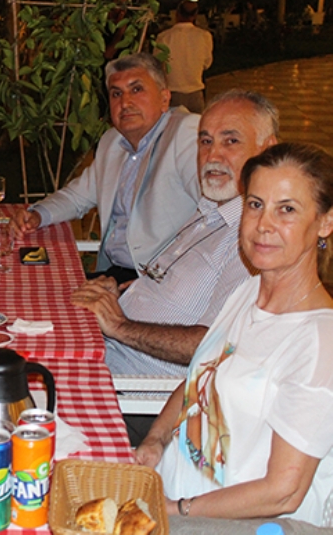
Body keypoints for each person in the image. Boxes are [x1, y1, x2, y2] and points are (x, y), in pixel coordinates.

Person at [136, 142, 333, 527]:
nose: (263, 225)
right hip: (169, 494)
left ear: (325, 222)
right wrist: (155, 440)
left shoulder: (319, 342)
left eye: (287, 210)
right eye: (256, 204)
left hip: (231, 523)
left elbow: (283, 491)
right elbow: (201, 378)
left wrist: (176, 510)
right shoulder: (248, 290)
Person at [70, 90, 278, 378]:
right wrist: (119, 295)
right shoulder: (208, 210)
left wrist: (119, 325)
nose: (212, 156)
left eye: (231, 141)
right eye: (206, 141)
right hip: (107, 346)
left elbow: (215, 346)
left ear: (268, 149)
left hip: (129, 382)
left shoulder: (258, 242)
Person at [11, 52, 201, 284]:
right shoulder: (112, 142)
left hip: (158, 282)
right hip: (113, 275)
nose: (125, 103)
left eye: (137, 89)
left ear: (164, 98)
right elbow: (76, 198)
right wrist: (37, 215)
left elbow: (216, 217)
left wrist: (157, 283)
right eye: (116, 93)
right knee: (23, 282)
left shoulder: (186, 134)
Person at [155, 0, 213, 113]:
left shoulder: (164, 37)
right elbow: (207, 63)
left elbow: (157, 65)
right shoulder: (204, 36)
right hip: (195, 92)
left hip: (172, 93)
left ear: (177, 14)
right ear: (195, 15)